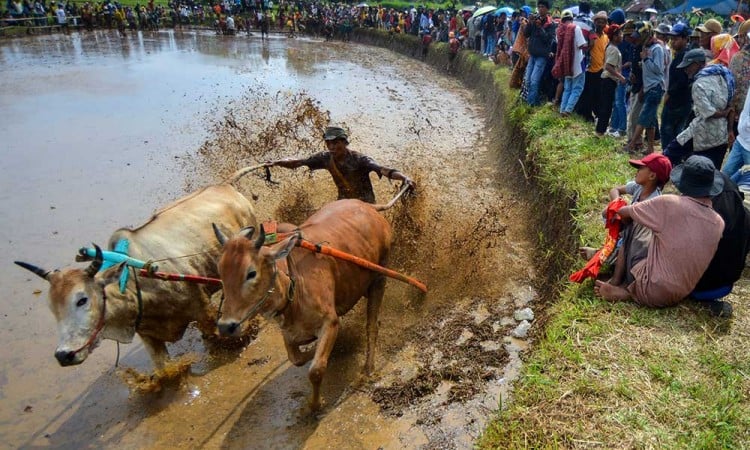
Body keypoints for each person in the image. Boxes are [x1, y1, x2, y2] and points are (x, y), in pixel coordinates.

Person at [594, 155, 725, 308]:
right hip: (682, 293)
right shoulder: (718, 222)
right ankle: (612, 266)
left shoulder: (669, 203)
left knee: (633, 224)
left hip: (651, 288)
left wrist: (617, 206)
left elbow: (624, 212)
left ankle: (622, 287)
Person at [265, 126, 415, 204]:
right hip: (342, 204)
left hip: (366, 204)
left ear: (344, 142)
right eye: (328, 143)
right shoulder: (325, 158)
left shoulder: (360, 159)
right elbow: (298, 162)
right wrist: (277, 162)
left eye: (335, 143)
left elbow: (383, 170)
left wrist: (404, 178)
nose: (331, 147)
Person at [664, 49, 735, 169]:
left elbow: (708, 112)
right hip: (721, 134)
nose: (686, 70)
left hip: (702, 131)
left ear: (697, 64)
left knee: (669, 154)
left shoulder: (698, 84)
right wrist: (729, 129)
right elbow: (731, 107)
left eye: (688, 66)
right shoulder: (723, 74)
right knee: (711, 172)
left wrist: (723, 113)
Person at [660, 23, 692, 149]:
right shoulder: (680, 54)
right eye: (672, 39)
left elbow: (682, 80)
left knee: (668, 132)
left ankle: (669, 160)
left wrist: (669, 94)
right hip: (681, 101)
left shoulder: (684, 56)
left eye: (676, 39)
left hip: (677, 102)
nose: (673, 42)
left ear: (685, 39)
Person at [522, 0, 556, 106]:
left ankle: (530, 105)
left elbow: (548, 39)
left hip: (542, 56)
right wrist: (530, 22)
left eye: (543, 7)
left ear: (547, 9)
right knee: (527, 80)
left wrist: (540, 27)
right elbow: (526, 34)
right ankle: (535, 102)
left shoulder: (551, 24)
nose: (540, 9)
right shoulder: (535, 19)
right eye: (539, 6)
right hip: (532, 54)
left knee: (534, 80)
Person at [595, 24, 626, 136]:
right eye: (620, 34)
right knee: (606, 108)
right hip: (608, 80)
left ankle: (600, 130)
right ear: (614, 36)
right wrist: (621, 77)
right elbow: (608, 66)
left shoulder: (611, 47)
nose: (622, 36)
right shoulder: (613, 49)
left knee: (606, 106)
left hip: (608, 80)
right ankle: (600, 132)